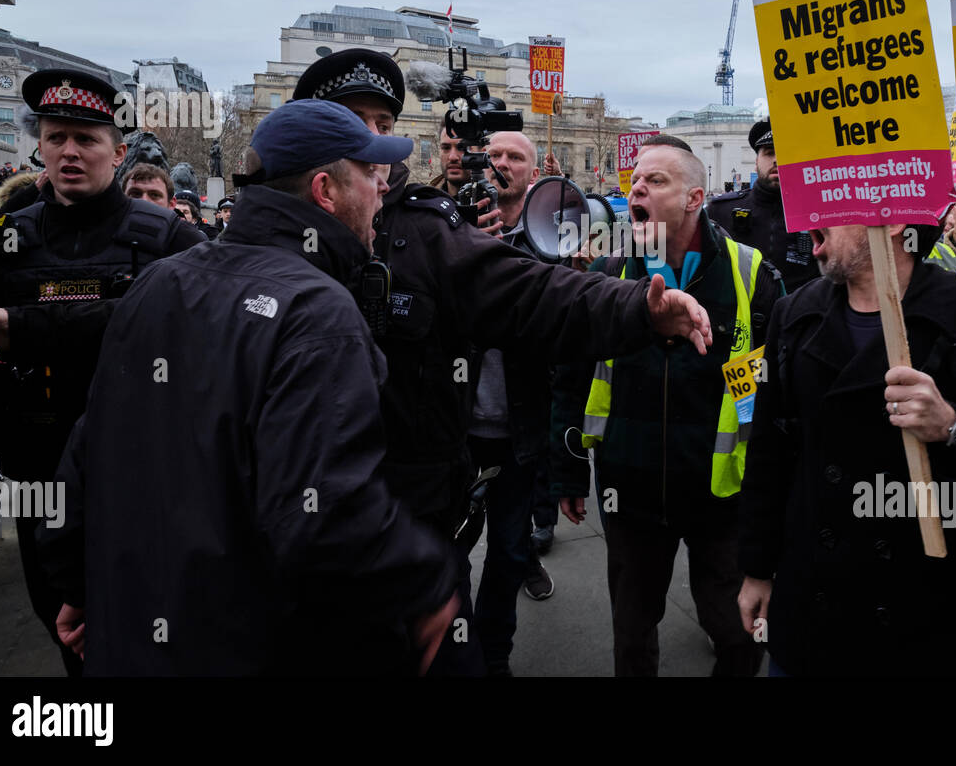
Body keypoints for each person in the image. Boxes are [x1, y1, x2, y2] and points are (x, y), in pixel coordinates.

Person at [291, 49, 715, 676]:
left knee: (496, 571)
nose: (372, 142)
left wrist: (638, 310)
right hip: (316, 541)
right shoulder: (252, 256)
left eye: (383, 124)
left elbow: (536, 299)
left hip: (447, 488)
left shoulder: (430, 230)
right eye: (354, 121)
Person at [37, 99, 460, 675]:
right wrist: (425, 585)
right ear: (325, 191)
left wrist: (74, 580)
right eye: (368, 172)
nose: (382, 188)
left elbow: (87, 451)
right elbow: (324, 513)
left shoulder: (159, 281)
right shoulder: (318, 313)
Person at [736, 220, 956, 676]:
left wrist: (954, 425)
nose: (807, 220)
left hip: (924, 622)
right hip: (812, 615)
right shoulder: (793, 315)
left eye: (829, 203)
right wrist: (756, 569)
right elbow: (768, 455)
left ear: (891, 222)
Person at [0, 67, 205, 675]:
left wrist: (25, 328)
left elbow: (186, 332)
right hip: (37, 466)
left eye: (87, 139)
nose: (70, 151)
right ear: (39, 144)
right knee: (65, 622)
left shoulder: (167, 240)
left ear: (118, 152)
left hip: (141, 464)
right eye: (56, 136)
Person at [551, 136, 784, 676]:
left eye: (655, 181)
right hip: (628, 493)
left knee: (738, 632)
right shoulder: (609, 273)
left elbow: (777, 393)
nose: (638, 189)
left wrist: (772, 496)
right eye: (634, 181)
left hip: (721, 497)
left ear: (695, 197)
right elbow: (569, 375)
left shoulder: (752, 275)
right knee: (632, 633)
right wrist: (564, 470)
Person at [707, 120, 817, 293]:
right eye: (769, 153)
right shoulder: (721, 210)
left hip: (799, 314)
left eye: (785, 152)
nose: (776, 160)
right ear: (756, 161)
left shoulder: (816, 211)